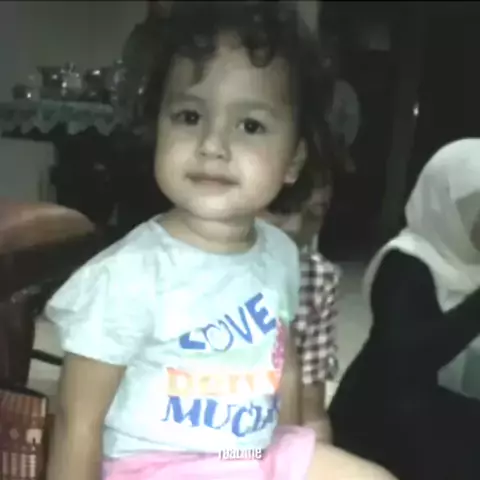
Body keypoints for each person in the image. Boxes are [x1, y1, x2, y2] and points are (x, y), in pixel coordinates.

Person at [45, 2, 396, 479]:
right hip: (157, 464)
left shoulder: (280, 254)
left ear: (293, 161)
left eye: (250, 125)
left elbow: (284, 366)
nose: (213, 145)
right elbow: (77, 424)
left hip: (244, 458)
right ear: (157, 127)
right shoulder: (124, 278)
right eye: (189, 116)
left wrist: (291, 460)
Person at [328, 138, 480, 479]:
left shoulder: (472, 261)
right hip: (380, 418)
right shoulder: (405, 263)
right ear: (450, 208)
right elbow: (410, 358)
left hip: (436, 404)